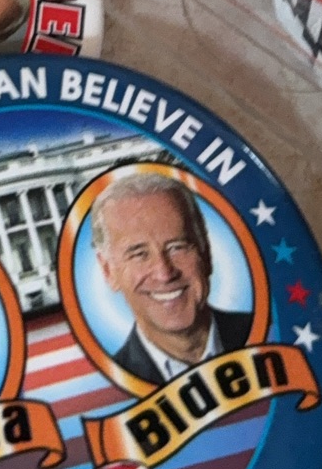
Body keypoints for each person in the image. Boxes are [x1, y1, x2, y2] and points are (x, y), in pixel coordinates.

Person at [91, 166, 251, 387]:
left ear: (206, 252)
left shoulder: (270, 331)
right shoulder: (109, 385)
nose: (164, 273)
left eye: (177, 247)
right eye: (139, 254)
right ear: (108, 271)